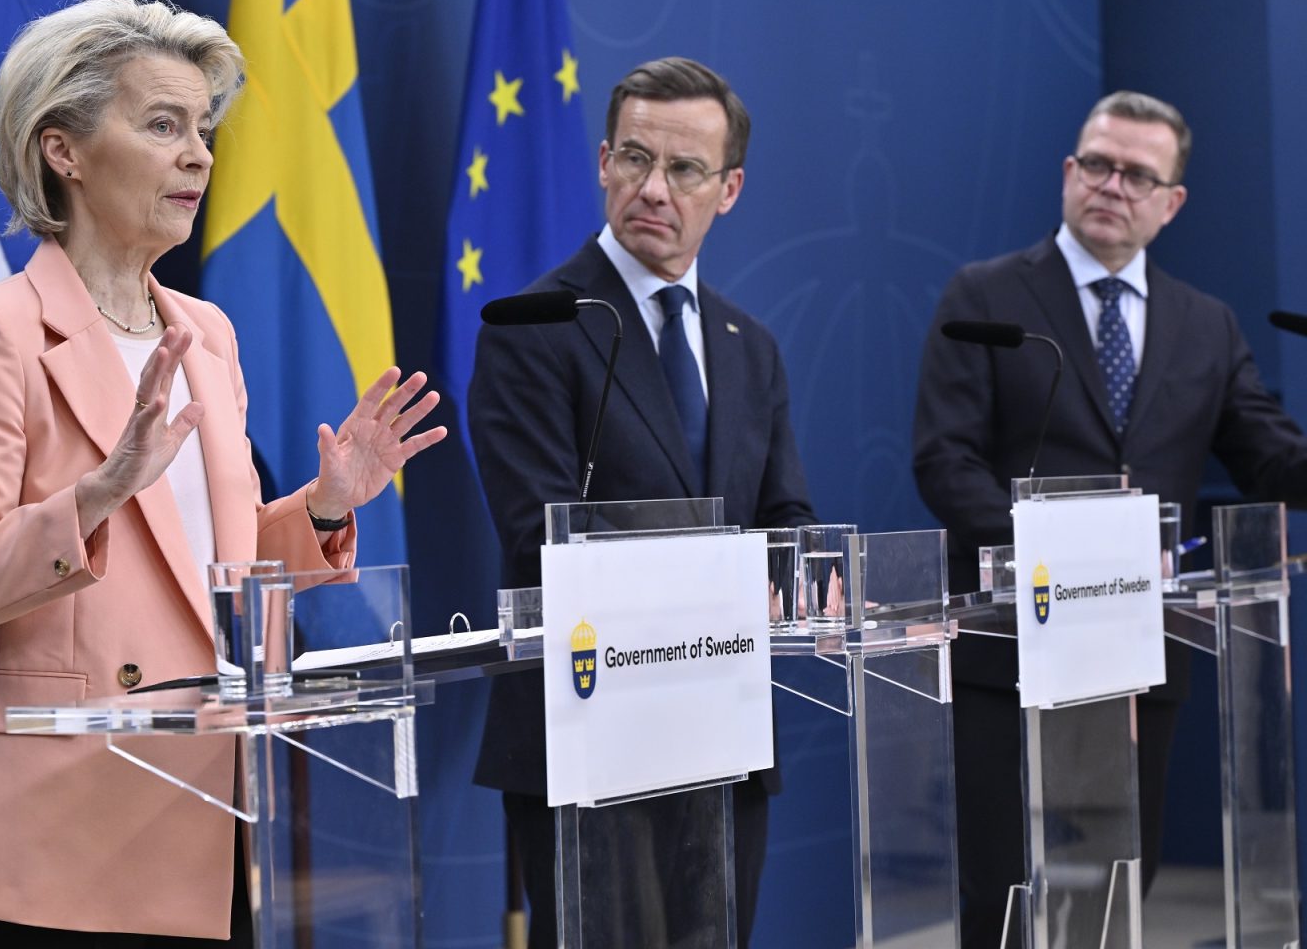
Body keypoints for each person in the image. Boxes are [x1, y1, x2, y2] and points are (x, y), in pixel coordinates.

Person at [0, 0, 446, 947]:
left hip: (214, 816)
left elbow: (211, 568)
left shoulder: (208, 333)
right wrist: (94, 495)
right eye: (163, 126)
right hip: (59, 843)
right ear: (63, 150)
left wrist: (324, 508)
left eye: (203, 129)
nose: (198, 155)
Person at [912, 90, 1307, 947]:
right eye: (1097, 164)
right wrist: (1061, 554)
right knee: (1003, 895)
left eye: (1137, 175)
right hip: (1011, 645)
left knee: (1121, 885)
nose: (1112, 186)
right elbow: (945, 460)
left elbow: (1272, 459)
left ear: (1172, 202)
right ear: (1069, 172)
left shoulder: (1206, 324)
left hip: (1139, 655)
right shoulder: (985, 295)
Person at [467, 56, 818, 949]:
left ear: (729, 189)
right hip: (590, 728)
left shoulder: (749, 346)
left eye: (685, 168)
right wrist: (727, 578)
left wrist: (801, 569)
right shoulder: (533, 327)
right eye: (634, 158)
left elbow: (784, 515)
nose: (653, 188)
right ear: (603, 163)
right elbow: (540, 535)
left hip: (724, 728)